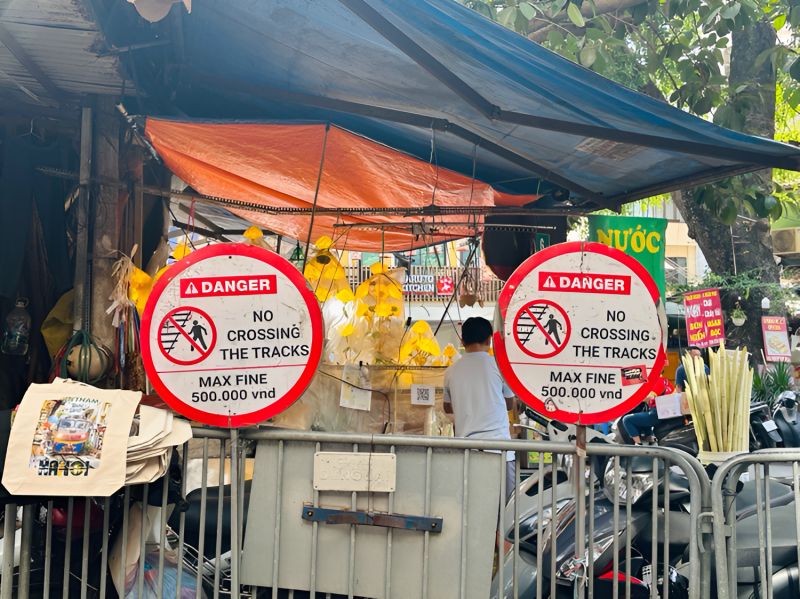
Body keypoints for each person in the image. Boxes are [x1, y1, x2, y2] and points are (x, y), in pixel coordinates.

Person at [443, 317, 516, 500]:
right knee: (506, 512)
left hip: (468, 453)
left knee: (473, 508)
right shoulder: (499, 366)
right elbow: (510, 404)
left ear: (462, 341)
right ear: (490, 340)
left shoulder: (451, 371)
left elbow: (447, 407)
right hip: (500, 451)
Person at [621, 368, 675, 445]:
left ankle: (638, 445)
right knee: (644, 411)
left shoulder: (657, 381)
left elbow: (650, 397)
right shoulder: (665, 381)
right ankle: (649, 437)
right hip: (665, 412)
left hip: (657, 414)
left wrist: (632, 400)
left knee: (627, 420)